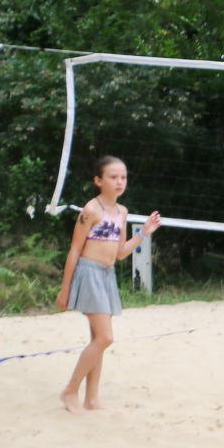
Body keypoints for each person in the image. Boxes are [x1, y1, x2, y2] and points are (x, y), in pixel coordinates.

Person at [55, 156, 161, 414]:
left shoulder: (122, 212)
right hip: (89, 273)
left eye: (123, 177)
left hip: (107, 274)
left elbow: (121, 252)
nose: (119, 181)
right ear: (98, 181)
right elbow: (74, 250)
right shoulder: (91, 210)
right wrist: (65, 288)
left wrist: (144, 232)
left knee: (97, 339)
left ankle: (91, 398)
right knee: (105, 337)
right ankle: (70, 391)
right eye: (113, 177)